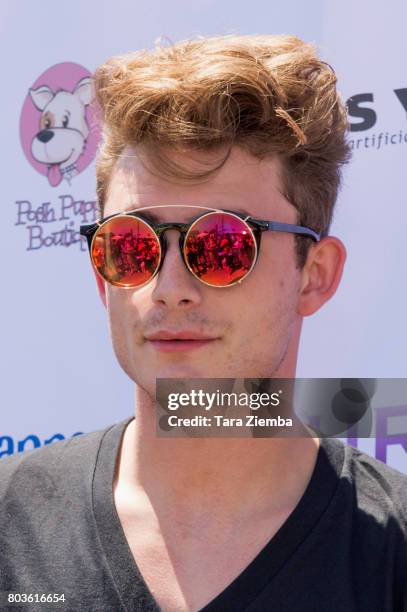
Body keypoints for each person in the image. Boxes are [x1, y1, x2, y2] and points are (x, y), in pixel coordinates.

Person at [1, 34, 406, 612]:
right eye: (132, 246)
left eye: (221, 246)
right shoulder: (9, 521)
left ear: (315, 274)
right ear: (102, 279)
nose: (168, 289)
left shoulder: (393, 553)